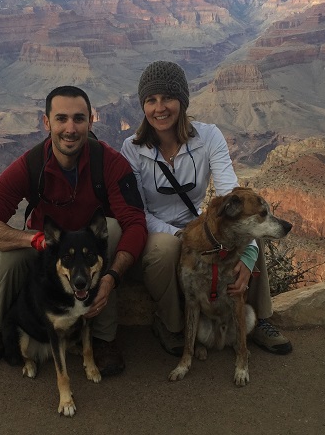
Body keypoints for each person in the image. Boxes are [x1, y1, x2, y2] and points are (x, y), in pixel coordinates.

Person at [0, 85, 148, 376]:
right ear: (46, 122)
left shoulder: (110, 163)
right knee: (11, 258)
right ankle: (0, 330)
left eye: (79, 119)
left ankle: (103, 338)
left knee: (113, 229)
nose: (70, 128)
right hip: (49, 248)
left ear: (91, 121)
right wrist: (32, 239)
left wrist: (111, 278)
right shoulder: (32, 164)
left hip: (91, 252)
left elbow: (136, 223)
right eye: (61, 118)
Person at [120, 60, 292, 357]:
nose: (159, 108)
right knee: (165, 250)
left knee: (249, 224)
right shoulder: (132, 148)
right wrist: (180, 235)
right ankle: (171, 324)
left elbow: (231, 194)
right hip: (157, 230)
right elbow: (139, 212)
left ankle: (260, 317)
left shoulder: (208, 136)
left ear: (183, 102)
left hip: (197, 225)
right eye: (151, 100)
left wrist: (249, 256)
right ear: (143, 106)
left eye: (168, 98)